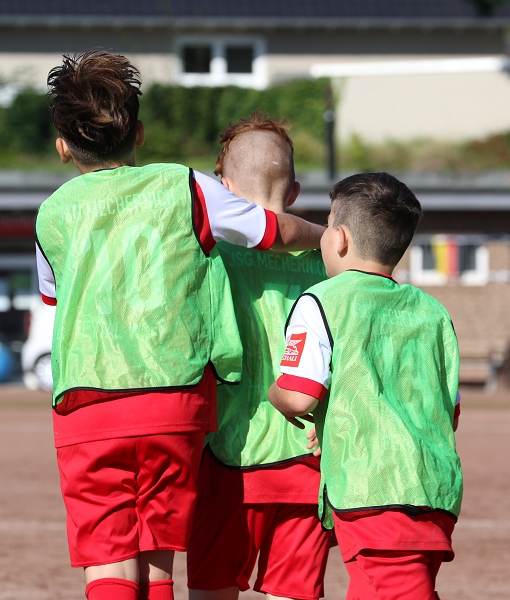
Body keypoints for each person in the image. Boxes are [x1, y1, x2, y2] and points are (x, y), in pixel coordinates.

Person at [35, 50, 325, 600]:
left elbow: (54, 296)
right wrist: (329, 237)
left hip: (87, 403)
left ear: (62, 147)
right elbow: (271, 232)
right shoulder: (185, 185)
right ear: (140, 133)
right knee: (157, 561)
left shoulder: (52, 212)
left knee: (110, 563)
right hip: (175, 401)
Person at [268, 173, 462, 600]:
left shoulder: (321, 299)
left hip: (376, 493)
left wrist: (274, 393)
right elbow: (446, 410)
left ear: (339, 238)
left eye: (326, 224)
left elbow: (298, 395)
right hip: (433, 490)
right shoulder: (433, 312)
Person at [187, 113, 331, 600]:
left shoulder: (207, 254)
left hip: (228, 456)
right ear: (295, 192)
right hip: (311, 458)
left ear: (223, 189)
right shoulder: (330, 260)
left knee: (212, 592)